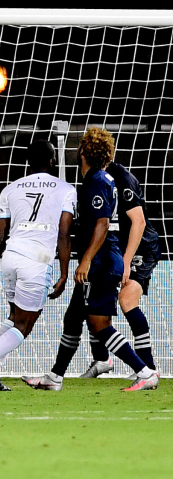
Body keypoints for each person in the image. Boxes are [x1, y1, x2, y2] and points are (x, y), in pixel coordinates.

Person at [22, 127, 158, 392]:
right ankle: (55, 377)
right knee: (73, 317)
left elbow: (103, 223)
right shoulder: (102, 179)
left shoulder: (96, 181)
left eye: (80, 146)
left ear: (84, 152)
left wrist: (85, 261)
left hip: (102, 262)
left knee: (99, 324)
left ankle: (145, 371)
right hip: (102, 259)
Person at [0, 140, 74, 392]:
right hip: (37, 260)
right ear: (52, 161)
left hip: (10, 256)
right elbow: (64, 235)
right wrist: (65, 273)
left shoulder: (10, 189)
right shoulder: (66, 189)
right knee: (24, 325)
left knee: (14, 318)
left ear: (27, 162)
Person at [79, 160, 161, 379]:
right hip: (117, 248)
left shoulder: (122, 178)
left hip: (142, 247)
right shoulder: (96, 178)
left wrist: (127, 261)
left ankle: (148, 367)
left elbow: (139, 221)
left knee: (126, 300)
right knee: (96, 304)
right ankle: (102, 359)